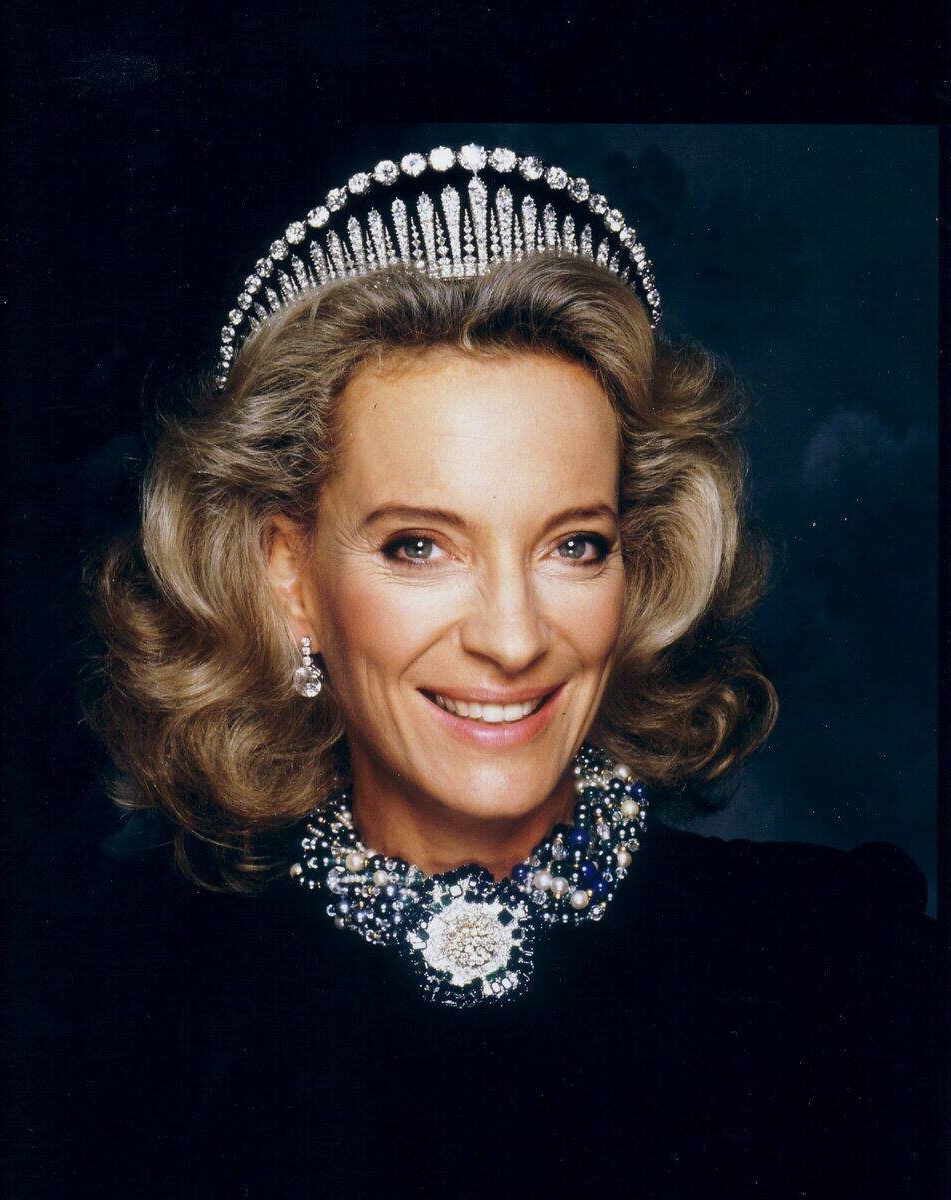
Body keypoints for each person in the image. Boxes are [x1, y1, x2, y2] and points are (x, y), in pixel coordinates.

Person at [55, 144, 934, 1197]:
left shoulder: (839, 966)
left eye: (575, 545)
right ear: (287, 574)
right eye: (419, 546)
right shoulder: (119, 1017)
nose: (513, 640)